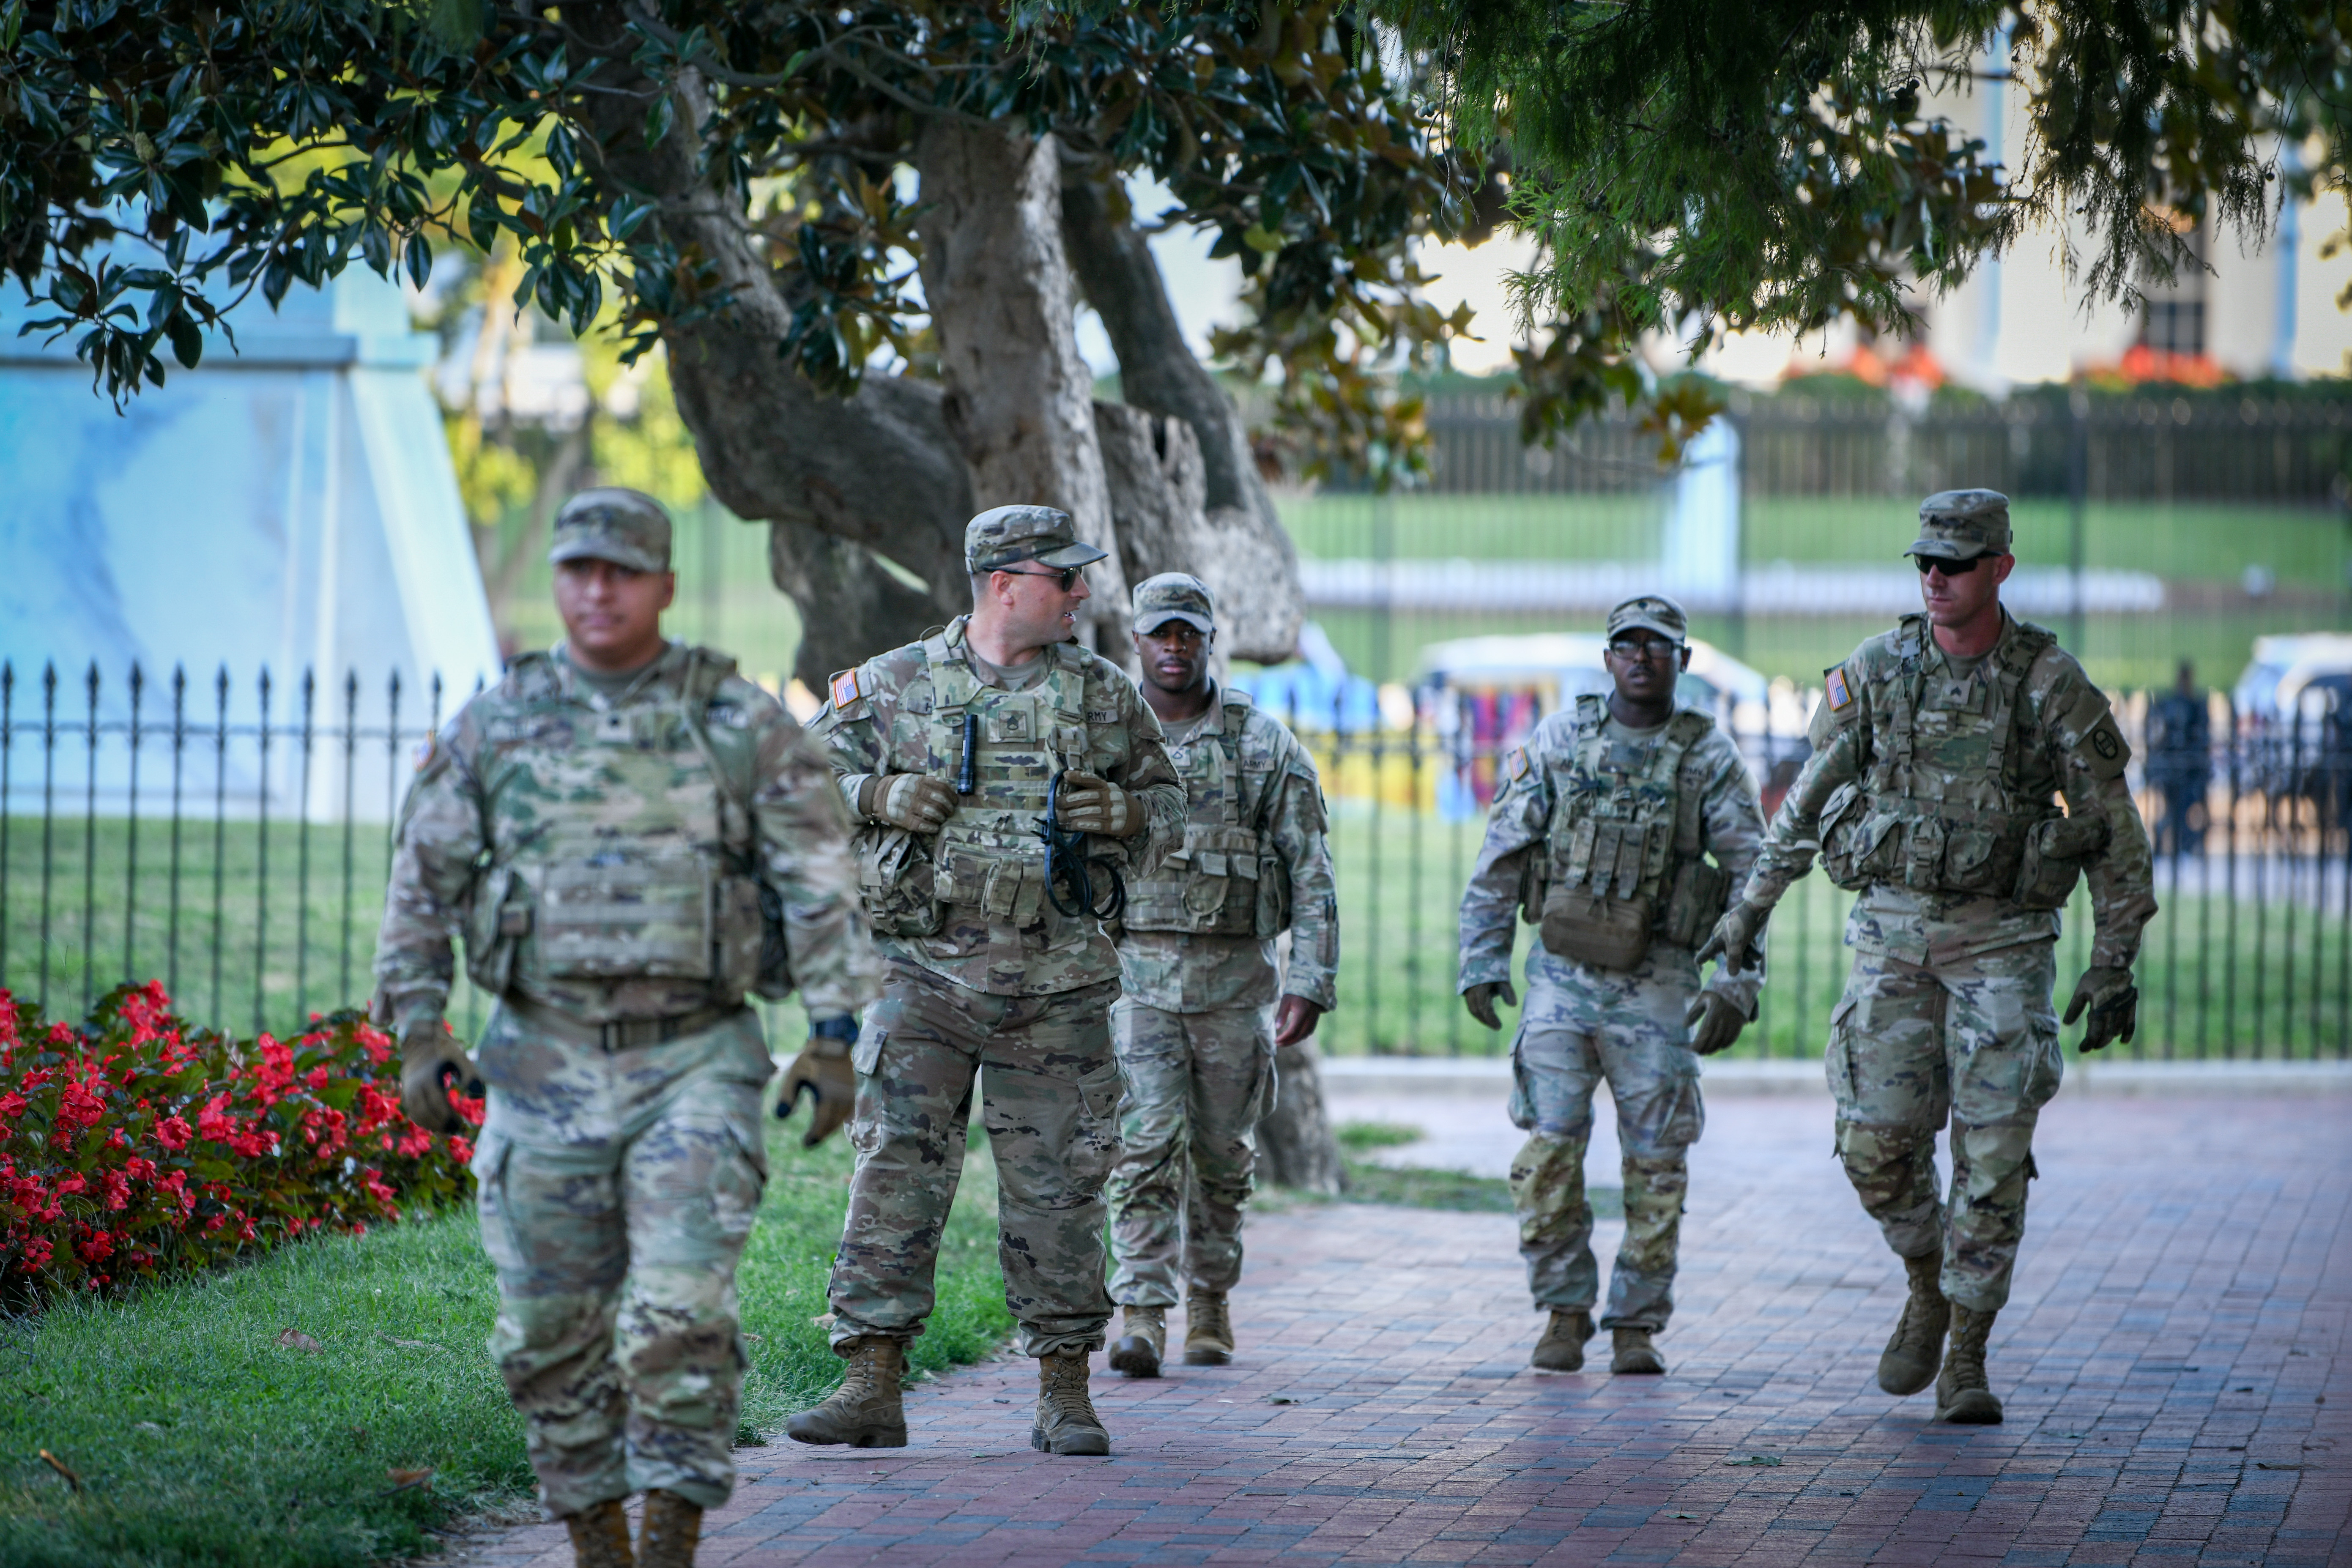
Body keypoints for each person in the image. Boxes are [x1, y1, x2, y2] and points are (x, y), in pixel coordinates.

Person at [373, 488, 879, 1568]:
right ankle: (598, 1542)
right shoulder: (497, 723)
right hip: (540, 1055)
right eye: (576, 569)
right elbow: (421, 878)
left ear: (663, 583)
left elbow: (819, 880)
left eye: (619, 570)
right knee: (547, 1335)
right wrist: (419, 1023)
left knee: (678, 1322)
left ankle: (669, 1545)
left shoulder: (735, 721)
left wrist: (833, 1032)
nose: (595, 589)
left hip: (694, 1057)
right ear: (556, 579)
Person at [1703, 489, 2156, 1426]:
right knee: (1874, 1141)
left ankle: (1968, 1358)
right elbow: (1805, 799)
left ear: (2000, 569)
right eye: (1924, 563)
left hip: (2004, 942)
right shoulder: (1875, 672)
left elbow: (2112, 828)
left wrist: (2114, 956)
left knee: (1992, 1155)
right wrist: (1748, 909)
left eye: (1954, 563)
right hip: (1894, 934)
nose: (1935, 579)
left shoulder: (2046, 682)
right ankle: (1926, 1282)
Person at [790, 505, 1185, 1457]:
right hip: (921, 979)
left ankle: (1063, 1392)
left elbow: (1174, 814)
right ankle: (870, 1384)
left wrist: (1128, 813)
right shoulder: (893, 686)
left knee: (1060, 1191)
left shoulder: (1101, 695)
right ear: (1006, 584)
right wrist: (873, 794)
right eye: (1066, 577)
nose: (1085, 593)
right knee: (894, 1177)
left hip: (1056, 990)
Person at [1456, 595, 1766, 1377]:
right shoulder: (1560, 739)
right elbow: (1502, 853)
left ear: (1681, 661)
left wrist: (1735, 980)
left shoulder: (1706, 755)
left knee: (1658, 1159)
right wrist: (1482, 958)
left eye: (1657, 647)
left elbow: (1750, 879)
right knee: (1548, 1152)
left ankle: (1635, 1323)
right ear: (1606, 659)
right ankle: (1562, 1310)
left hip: (1657, 981)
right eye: (1625, 645)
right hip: (1561, 980)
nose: (1639, 658)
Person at [1101, 573, 1339, 1379]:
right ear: (1136, 639)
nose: (1174, 647)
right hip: (1133, 982)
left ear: (1210, 639)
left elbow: (1311, 871)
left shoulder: (1261, 745)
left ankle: (1208, 1295)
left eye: (1188, 633)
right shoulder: (1105, 738)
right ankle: (1139, 1308)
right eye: (1159, 633)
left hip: (1234, 985)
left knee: (1220, 1154)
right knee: (1141, 1144)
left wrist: (1310, 976)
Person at [2146, 660, 2211, 856]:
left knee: (2184, 809)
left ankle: (2183, 846)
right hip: (2174, 766)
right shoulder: (2172, 703)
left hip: (2190, 767)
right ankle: (2172, 847)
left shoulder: (2193, 703)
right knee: (2172, 810)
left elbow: (2201, 734)